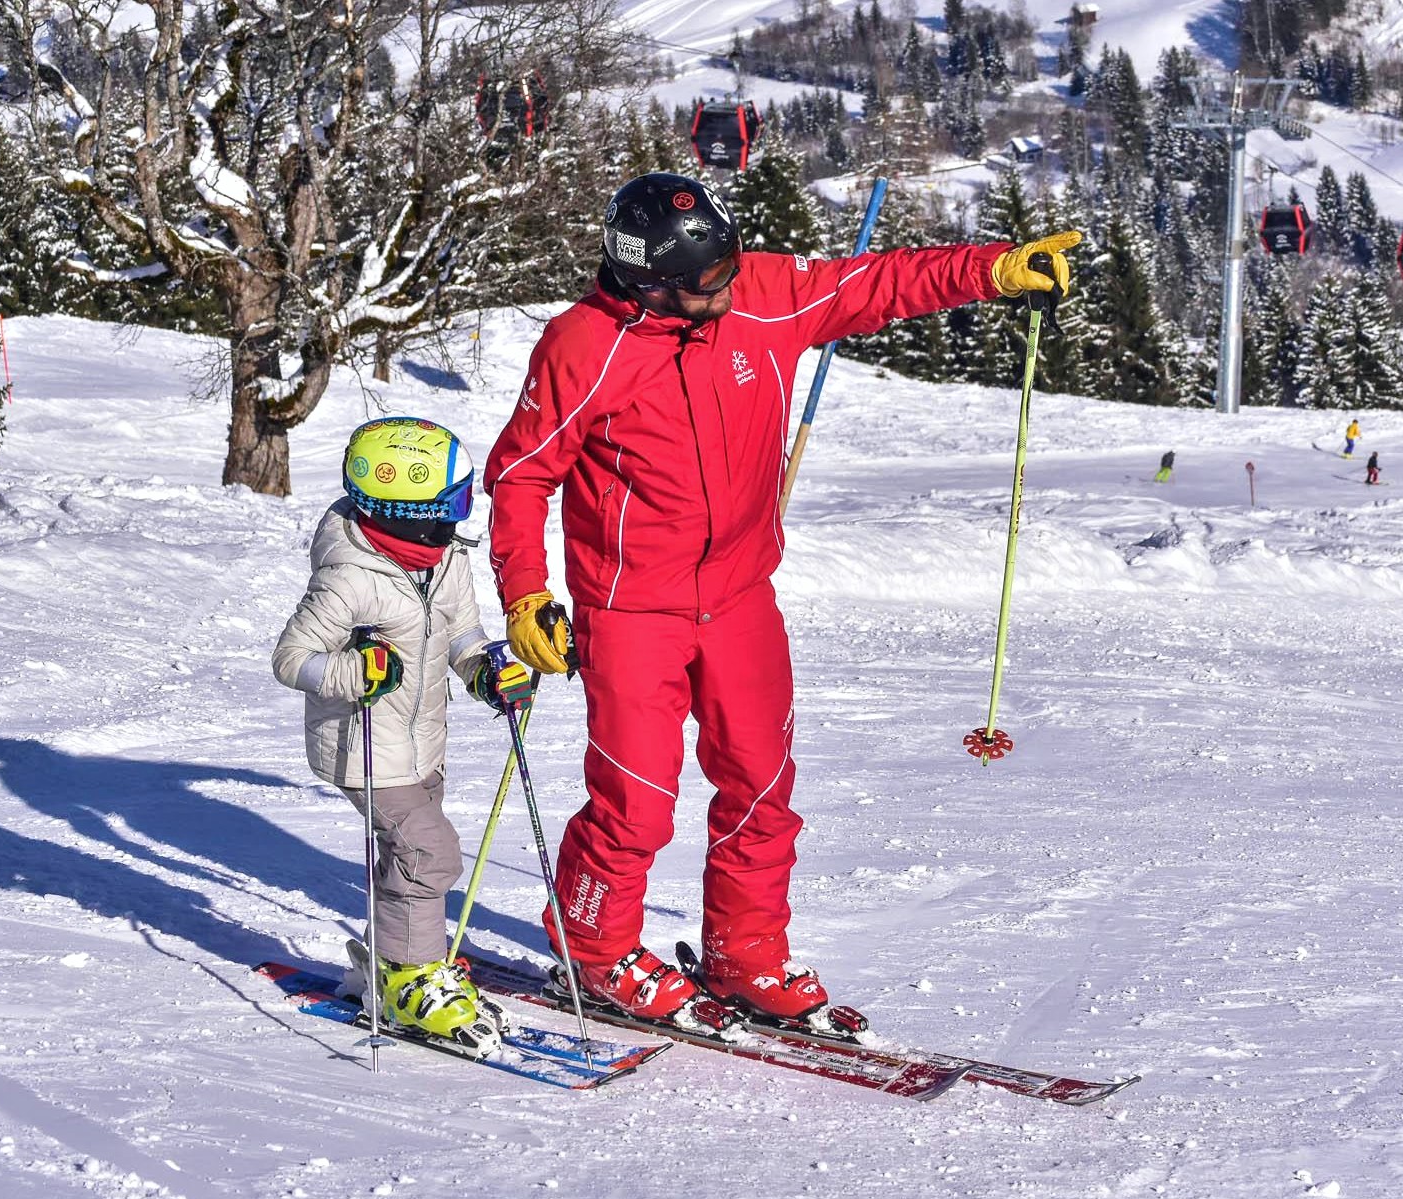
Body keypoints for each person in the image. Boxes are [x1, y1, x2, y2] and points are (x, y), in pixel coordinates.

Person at [482, 171, 1079, 1029]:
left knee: (761, 783)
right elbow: (520, 474)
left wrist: (995, 270)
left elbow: (877, 283)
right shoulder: (583, 345)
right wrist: (525, 594)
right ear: (645, 279)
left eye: (728, 266)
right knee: (636, 800)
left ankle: (745, 950)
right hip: (629, 612)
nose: (726, 290)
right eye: (704, 283)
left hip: (739, 596)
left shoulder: (759, 293)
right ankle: (594, 944)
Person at [272, 416, 533, 1053]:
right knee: (431, 856)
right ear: (406, 507)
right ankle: (411, 978)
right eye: (452, 501)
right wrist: (353, 669)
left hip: (422, 743)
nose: (461, 513)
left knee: (410, 859)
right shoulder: (349, 576)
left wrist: (489, 671)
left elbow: (463, 638)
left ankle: (397, 963)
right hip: (364, 749)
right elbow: (291, 659)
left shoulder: (445, 561)